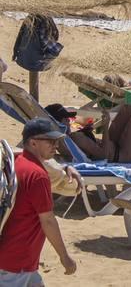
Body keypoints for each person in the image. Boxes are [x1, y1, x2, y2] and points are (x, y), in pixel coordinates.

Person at [0, 118, 78, 282]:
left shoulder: (18, 163)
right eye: (50, 141)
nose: (56, 145)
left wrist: (65, 167)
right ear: (33, 143)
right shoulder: (37, 176)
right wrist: (64, 257)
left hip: (17, 258)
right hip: (16, 263)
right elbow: (48, 220)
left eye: (56, 141)